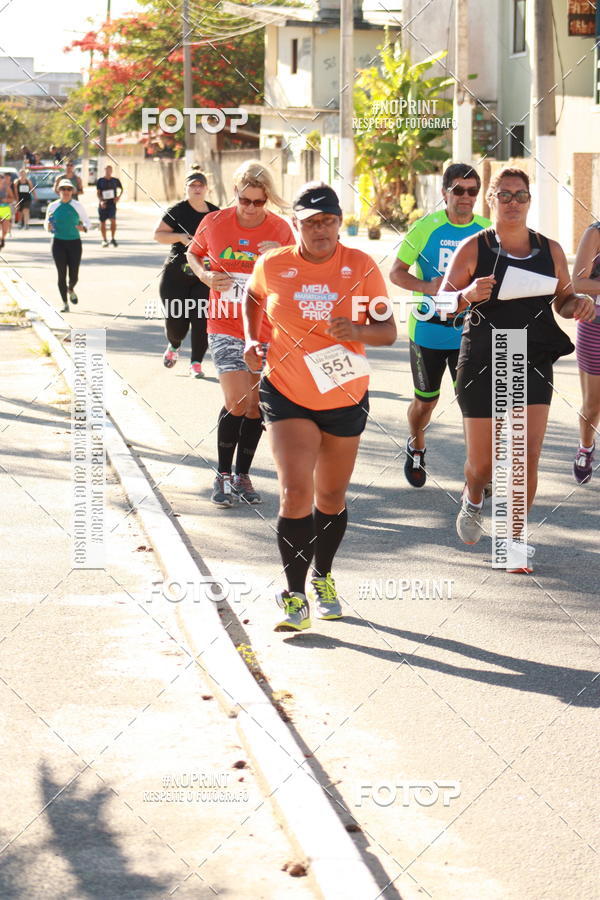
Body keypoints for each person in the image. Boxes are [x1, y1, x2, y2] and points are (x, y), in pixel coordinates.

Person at [243, 183, 396, 631]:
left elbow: (387, 332)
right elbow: (253, 299)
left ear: (339, 222)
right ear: (297, 225)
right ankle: (294, 597)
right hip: (287, 390)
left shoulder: (360, 266)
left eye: (328, 220)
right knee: (295, 492)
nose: (321, 229)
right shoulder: (273, 264)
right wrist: (255, 339)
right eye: (311, 222)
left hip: (344, 392)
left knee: (330, 496)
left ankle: (322, 575)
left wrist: (356, 331)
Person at [439, 168, 595, 572]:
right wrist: (466, 295)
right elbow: (439, 305)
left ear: (530, 201)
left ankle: (513, 541)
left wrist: (577, 305)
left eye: (520, 196)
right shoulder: (475, 248)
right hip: (483, 358)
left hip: (531, 354)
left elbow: (562, 299)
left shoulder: (550, 249)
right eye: (504, 195)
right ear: (490, 199)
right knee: (484, 464)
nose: (512, 202)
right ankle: (474, 495)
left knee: (525, 453)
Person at [186, 160, 294, 507]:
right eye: (244, 200)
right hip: (225, 324)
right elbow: (193, 253)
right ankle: (222, 475)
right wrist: (204, 276)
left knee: (255, 406)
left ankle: (243, 474)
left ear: (268, 200)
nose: (250, 209)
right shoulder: (214, 222)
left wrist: (277, 256)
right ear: (235, 193)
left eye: (258, 202)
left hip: (266, 328)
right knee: (237, 401)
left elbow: (298, 271)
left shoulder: (280, 230)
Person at [390, 163, 490, 487]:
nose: (465, 197)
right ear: (444, 192)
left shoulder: (488, 230)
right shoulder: (426, 228)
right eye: (458, 190)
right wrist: (429, 287)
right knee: (425, 403)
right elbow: (396, 272)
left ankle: (477, 472)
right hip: (429, 331)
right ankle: (416, 444)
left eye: (472, 191)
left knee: (475, 406)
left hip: (470, 332)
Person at [154, 169, 219, 378]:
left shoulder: (215, 213)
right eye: (193, 185)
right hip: (176, 273)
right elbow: (158, 235)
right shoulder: (178, 210)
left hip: (203, 274)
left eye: (201, 185)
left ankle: (196, 363)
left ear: (207, 189)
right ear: (186, 189)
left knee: (201, 319)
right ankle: (174, 345)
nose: (197, 188)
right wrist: (181, 237)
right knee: (176, 320)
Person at [571, 221, 600, 483]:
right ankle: (586, 445)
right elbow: (578, 282)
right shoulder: (596, 232)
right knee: (593, 405)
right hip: (596, 327)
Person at [45, 180, 90, 313]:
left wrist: (84, 228)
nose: (66, 192)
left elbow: (88, 222)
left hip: (74, 242)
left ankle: (71, 289)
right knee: (61, 274)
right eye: (63, 189)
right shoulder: (53, 206)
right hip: (58, 243)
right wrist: (48, 227)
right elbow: (46, 224)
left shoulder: (78, 206)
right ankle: (65, 303)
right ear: (59, 191)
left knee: (74, 275)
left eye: (68, 189)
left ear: (72, 192)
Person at [96, 165, 123, 247]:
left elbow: (121, 189)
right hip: (103, 203)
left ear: (112, 171)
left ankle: (113, 238)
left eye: (110, 170)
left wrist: (118, 197)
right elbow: (98, 192)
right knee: (103, 222)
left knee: (113, 221)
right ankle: (104, 240)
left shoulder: (115, 180)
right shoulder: (100, 180)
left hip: (112, 204)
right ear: (105, 170)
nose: (108, 171)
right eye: (107, 169)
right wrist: (101, 201)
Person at [0, 174, 15, 249]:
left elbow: (12, 199)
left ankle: (2, 239)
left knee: (5, 229)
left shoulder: (7, 188)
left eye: (1, 179)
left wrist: (6, 200)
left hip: (5, 209)